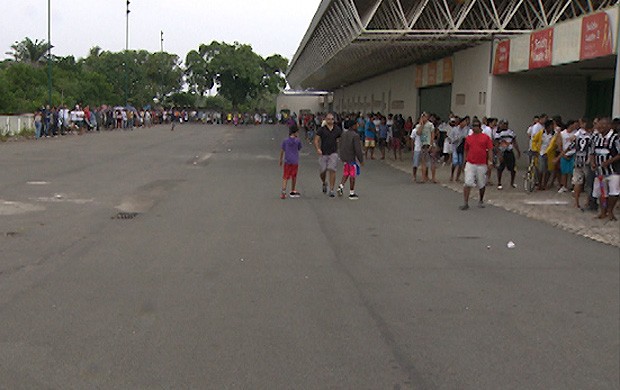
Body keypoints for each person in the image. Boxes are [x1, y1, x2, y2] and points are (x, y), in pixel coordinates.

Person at [590, 117, 620, 221]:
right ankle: (603, 212)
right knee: (602, 193)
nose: (600, 127)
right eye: (599, 125)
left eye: (603, 125)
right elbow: (592, 152)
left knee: (614, 192)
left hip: (613, 171)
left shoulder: (615, 138)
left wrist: (609, 162)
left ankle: (610, 211)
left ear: (609, 126)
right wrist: (593, 162)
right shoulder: (596, 138)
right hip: (600, 173)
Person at [460, 119, 494, 210]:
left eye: (476, 126)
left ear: (480, 127)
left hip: (482, 164)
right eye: (473, 126)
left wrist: (490, 161)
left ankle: (481, 200)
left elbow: (490, 150)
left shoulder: (485, 138)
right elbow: (466, 150)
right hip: (470, 162)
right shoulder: (469, 138)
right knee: (467, 182)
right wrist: (464, 161)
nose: (475, 128)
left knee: (481, 183)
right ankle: (465, 202)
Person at [314, 112, 343, 197]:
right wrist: (318, 149)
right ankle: (324, 182)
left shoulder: (337, 129)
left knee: (332, 169)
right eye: (329, 119)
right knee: (322, 171)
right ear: (325, 120)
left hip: (333, 152)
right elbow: (316, 140)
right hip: (323, 152)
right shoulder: (322, 129)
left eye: (332, 119)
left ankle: (331, 189)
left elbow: (340, 138)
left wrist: (340, 146)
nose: (330, 121)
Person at [337, 120, 364, 200]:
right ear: (353, 126)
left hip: (345, 157)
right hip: (351, 158)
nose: (357, 125)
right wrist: (361, 160)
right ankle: (351, 192)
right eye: (356, 124)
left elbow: (340, 145)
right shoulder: (355, 136)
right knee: (352, 175)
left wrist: (341, 156)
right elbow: (357, 149)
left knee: (346, 173)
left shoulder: (343, 134)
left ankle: (341, 186)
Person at [495, 119, 521, 189]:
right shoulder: (498, 133)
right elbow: (496, 144)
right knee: (500, 168)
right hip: (502, 152)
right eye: (503, 124)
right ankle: (499, 183)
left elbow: (514, 142)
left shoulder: (511, 132)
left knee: (513, 168)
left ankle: (512, 182)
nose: (505, 125)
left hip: (509, 151)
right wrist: (499, 154)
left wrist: (518, 151)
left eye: (506, 124)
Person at [279, 125, 303, 199]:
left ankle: (283, 191)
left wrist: (280, 159)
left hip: (287, 160)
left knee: (285, 176)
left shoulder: (285, 141)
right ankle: (292, 190)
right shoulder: (297, 141)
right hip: (295, 161)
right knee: (294, 176)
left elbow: (282, 150)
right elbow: (299, 148)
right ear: (295, 132)